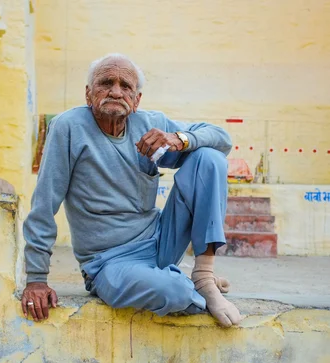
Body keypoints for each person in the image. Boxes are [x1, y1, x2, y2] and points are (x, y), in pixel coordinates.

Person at [22, 53, 241, 327]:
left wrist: (179, 139)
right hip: (109, 263)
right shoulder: (68, 127)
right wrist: (36, 279)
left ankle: (204, 278)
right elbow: (44, 205)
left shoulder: (148, 124)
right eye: (106, 82)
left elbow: (222, 139)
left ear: (137, 100)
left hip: (161, 241)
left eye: (126, 86)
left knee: (209, 158)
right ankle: (182, 283)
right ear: (88, 94)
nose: (116, 91)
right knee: (173, 292)